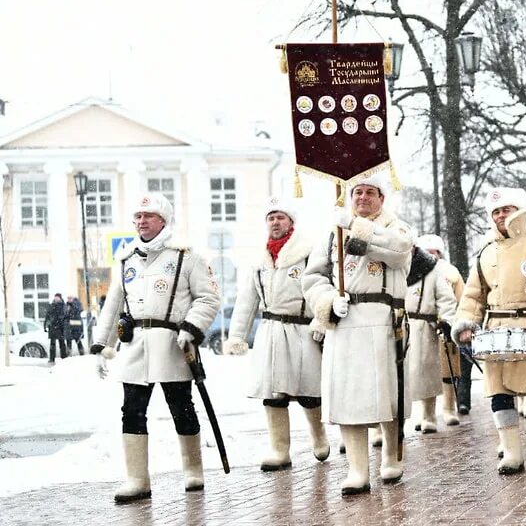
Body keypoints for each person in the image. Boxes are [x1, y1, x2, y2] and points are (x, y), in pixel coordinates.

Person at [90, 193, 220, 503]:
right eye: (137, 216)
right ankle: (137, 479)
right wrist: (101, 345)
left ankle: (193, 471)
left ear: (163, 220)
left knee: (181, 407)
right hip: (135, 345)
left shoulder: (186, 257)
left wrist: (191, 327)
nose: (141, 222)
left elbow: (208, 298)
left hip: (172, 343)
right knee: (131, 410)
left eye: (148, 216)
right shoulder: (126, 259)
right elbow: (112, 305)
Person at [302, 173, 413, 495]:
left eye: (370, 192)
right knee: (349, 396)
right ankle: (357, 469)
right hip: (345, 320)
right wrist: (326, 301)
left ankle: (391, 456)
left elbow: (398, 250)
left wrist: (356, 225)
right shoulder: (331, 234)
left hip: (383, 319)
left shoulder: (396, 227)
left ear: (382, 198)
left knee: (386, 394)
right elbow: (313, 277)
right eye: (357, 192)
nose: (362, 198)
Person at [453, 188, 526, 474]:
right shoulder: (486, 249)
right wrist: (467, 322)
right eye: (495, 211)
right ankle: (510, 452)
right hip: (496, 329)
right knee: (499, 394)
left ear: (519, 209)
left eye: (506, 209)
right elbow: (473, 294)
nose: (500, 216)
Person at [224, 197, 329, 471]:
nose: (275, 222)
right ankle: (279, 450)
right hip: (270, 331)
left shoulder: (308, 253)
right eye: (270, 217)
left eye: (280, 217)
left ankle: (319, 438)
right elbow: (247, 300)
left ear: (291, 222)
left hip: (302, 330)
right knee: (273, 394)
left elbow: (322, 288)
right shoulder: (259, 259)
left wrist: (322, 318)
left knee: (309, 392)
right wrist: (236, 335)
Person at [405, 239, 459, 434]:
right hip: (397, 325)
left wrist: (446, 320)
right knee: (398, 375)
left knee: (426, 371)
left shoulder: (431, 268)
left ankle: (429, 415)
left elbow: (446, 298)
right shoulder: (393, 265)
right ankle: (394, 422)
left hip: (424, 326)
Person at [415, 234, 466, 424]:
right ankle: (427, 415)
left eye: (434, 251)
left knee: (449, 370)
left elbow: (462, 299)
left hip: (445, 327)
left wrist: (454, 322)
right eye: (427, 252)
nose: (431, 255)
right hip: (424, 328)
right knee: (424, 370)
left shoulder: (451, 272)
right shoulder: (415, 271)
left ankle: (449, 408)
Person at [43, 293, 68, 362]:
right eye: (55, 297)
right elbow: (47, 316)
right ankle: (51, 358)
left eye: (57, 297)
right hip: (52, 327)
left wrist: (60, 320)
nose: (56, 299)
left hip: (60, 327)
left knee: (62, 343)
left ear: (60, 298)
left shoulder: (63, 306)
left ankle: (64, 357)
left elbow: (64, 316)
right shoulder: (51, 306)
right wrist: (45, 325)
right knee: (52, 344)